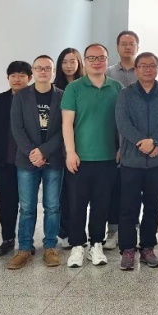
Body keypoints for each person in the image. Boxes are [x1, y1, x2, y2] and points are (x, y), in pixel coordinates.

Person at [61, 43, 123, 268]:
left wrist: (120, 148)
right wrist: (70, 152)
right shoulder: (74, 88)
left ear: (107, 60)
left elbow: (122, 122)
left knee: (101, 204)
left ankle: (96, 244)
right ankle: (77, 245)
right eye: (92, 58)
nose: (97, 62)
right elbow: (67, 123)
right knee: (77, 205)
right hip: (80, 158)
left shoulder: (116, 87)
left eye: (101, 58)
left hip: (107, 158)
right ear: (85, 61)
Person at [115, 52, 158, 270]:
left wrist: (155, 141)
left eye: (152, 66)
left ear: (157, 68)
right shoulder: (126, 93)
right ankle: (128, 249)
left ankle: (148, 248)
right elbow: (122, 123)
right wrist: (143, 143)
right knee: (128, 208)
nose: (148, 69)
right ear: (136, 69)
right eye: (143, 66)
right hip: (132, 160)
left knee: (152, 207)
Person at [7, 55, 65, 270]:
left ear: (53, 72)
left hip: (54, 159)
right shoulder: (21, 96)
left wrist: (44, 151)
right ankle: (24, 248)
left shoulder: (63, 96)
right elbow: (17, 128)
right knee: (27, 208)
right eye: (39, 68)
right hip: (26, 160)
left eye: (47, 68)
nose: (43, 71)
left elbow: (65, 129)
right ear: (33, 71)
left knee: (52, 206)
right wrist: (32, 152)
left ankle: (50, 246)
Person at [0, 61, 32, 259]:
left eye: (22, 75)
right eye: (13, 75)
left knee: (28, 204)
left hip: (29, 162)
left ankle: (26, 241)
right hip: (4, 161)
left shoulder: (34, 99)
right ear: (8, 78)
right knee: (7, 202)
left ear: (29, 78)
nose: (17, 79)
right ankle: (7, 239)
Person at [105, 31, 140, 250]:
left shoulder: (144, 72)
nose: (128, 47)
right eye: (123, 43)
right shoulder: (108, 73)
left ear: (137, 47)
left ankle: (132, 228)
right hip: (111, 138)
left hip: (137, 142)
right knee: (113, 188)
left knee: (134, 190)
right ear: (117, 47)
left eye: (131, 43)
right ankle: (113, 230)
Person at [54, 47, 83, 249]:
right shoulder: (55, 89)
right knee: (63, 193)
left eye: (73, 61)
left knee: (79, 193)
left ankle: (79, 232)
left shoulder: (85, 86)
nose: (69, 65)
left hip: (82, 145)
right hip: (60, 147)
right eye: (64, 62)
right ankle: (64, 231)